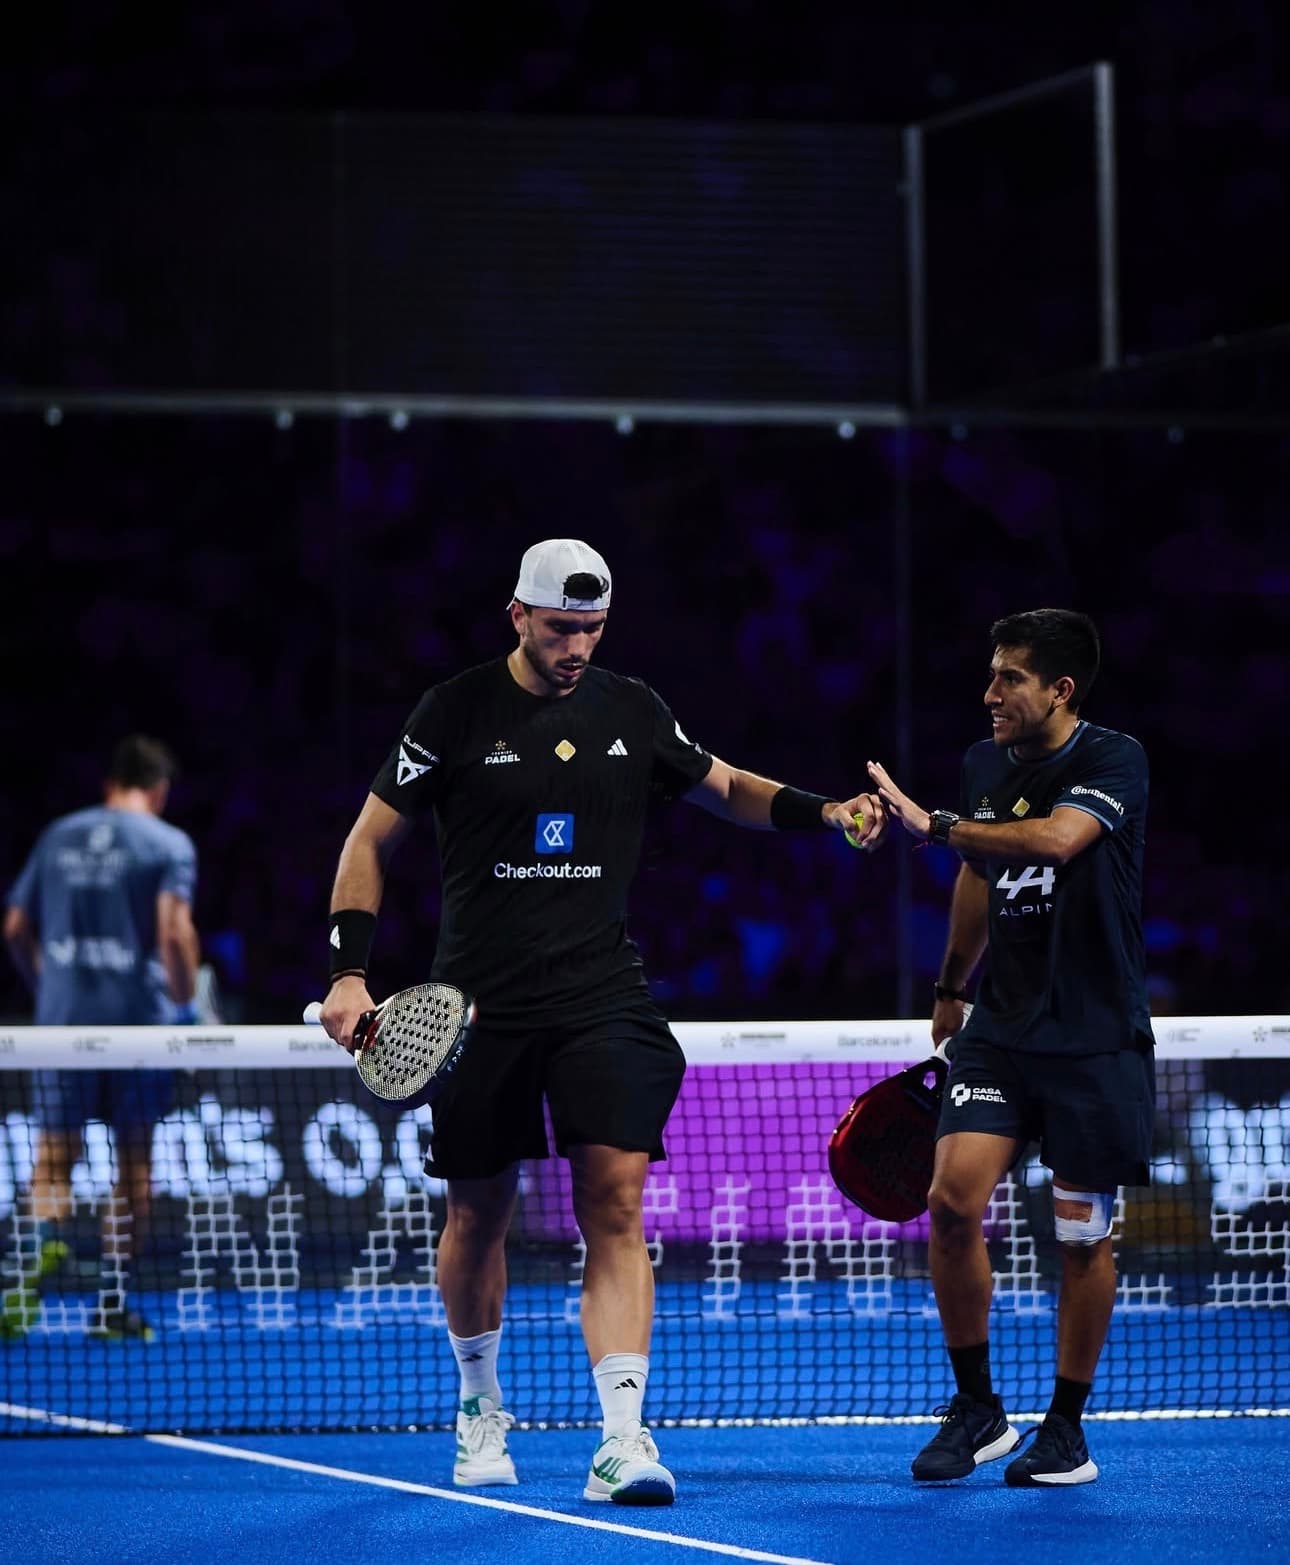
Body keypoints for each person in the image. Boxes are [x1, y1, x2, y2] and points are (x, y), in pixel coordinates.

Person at [318, 538, 886, 1505]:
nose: (576, 644)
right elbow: (372, 835)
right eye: (559, 627)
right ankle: (478, 1407)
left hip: (601, 996)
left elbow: (729, 788)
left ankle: (622, 1438)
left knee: (614, 1204)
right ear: (517, 616)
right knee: (478, 1210)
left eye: (592, 628)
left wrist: (822, 809)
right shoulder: (451, 712)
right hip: (475, 1008)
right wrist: (347, 972)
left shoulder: (633, 708)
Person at [868, 608, 1153, 1488]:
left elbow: (1060, 837)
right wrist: (953, 984)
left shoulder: (1114, 759)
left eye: (1011, 679)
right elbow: (976, 877)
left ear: (1060, 690)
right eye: (990, 674)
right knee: (951, 1203)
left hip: (1092, 1037)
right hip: (1000, 1027)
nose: (990, 693)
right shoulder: (983, 764)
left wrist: (938, 824)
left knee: (1079, 1239)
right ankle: (979, 1408)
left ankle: (1064, 1428)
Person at [2, 735, 200, 1340]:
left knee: (53, 1163)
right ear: (161, 789)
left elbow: (14, 926)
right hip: (139, 1031)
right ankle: (111, 1304)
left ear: (110, 783)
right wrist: (188, 1006)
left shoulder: (57, 835)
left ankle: (23, 1282)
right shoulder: (168, 844)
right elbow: (173, 933)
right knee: (134, 1167)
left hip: (63, 1026)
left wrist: (48, 987)